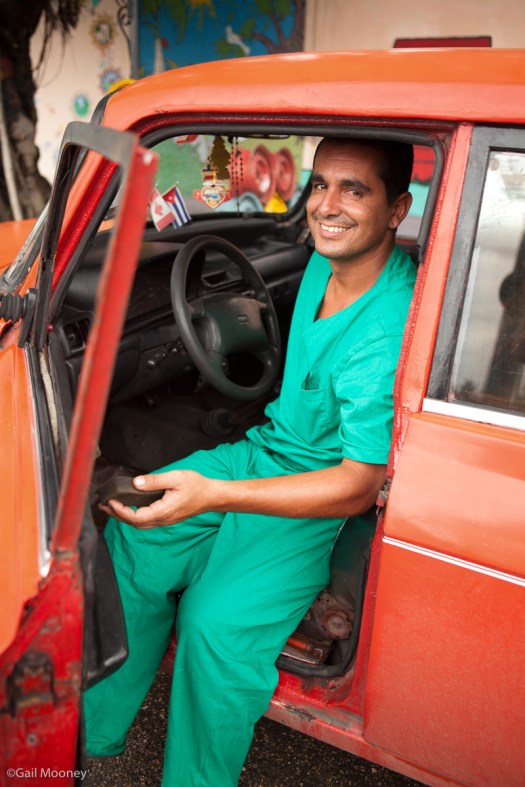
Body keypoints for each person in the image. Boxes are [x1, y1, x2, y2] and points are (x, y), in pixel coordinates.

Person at [84, 136, 416, 786]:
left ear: (397, 208)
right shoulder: (324, 258)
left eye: (355, 189)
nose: (328, 205)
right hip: (261, 451)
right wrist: (218, 487)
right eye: (320, 184)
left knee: (214, 627)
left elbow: (355, 486)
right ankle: (95, 736)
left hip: (314, 498)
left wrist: (216, 495)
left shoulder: (385, 327)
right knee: (136, 532)